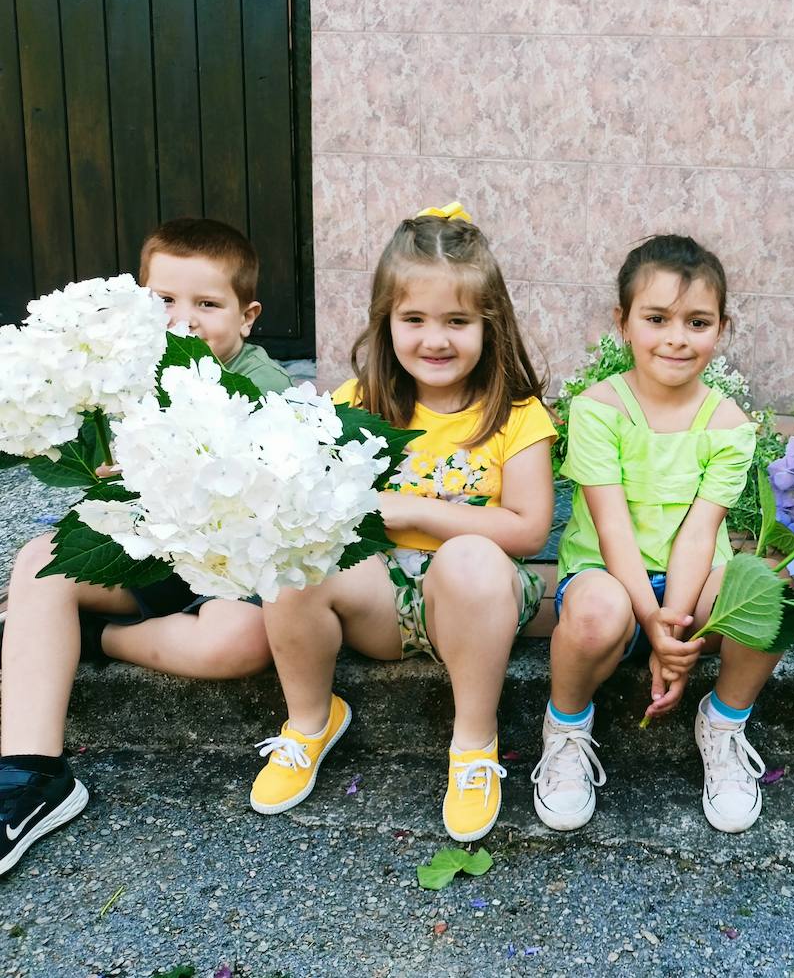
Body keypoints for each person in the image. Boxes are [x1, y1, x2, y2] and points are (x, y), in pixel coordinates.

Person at [248, 205, 555, 843]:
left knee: (468, 557)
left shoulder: (517, 417)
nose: (434, 339)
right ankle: (310, 719)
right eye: (413, 319)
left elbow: (527, 531)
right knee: (292, 559)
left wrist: (413, 509)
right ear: (384, 323)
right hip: (379, 600)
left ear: (489, 325)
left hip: (475, 604)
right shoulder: (354, 405)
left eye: (457, 321)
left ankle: (474, 741)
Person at [1, 217, 290, 876]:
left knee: (244, 641)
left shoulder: (263, 386)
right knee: (40, 561)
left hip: (223, 569)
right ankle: (28, 775)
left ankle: (91, 636)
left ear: (246, 317)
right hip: (146, 554)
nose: (180, 321)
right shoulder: (119, 378)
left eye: (207, 305)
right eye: (163, 301)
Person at [532, 234, 766, 834]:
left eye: (697, 322)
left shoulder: (730, 424)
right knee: (596, 615)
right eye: (656, 318)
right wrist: (653, 621)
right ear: (624, 322)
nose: (676, 338)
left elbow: (699, 532)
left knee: (770, 600)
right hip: (609, 578)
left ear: (721, 327)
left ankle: (724, 722)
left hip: (691, 585)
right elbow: (611, 529)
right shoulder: (597, 409)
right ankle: (566, 727)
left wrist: (674, 628)